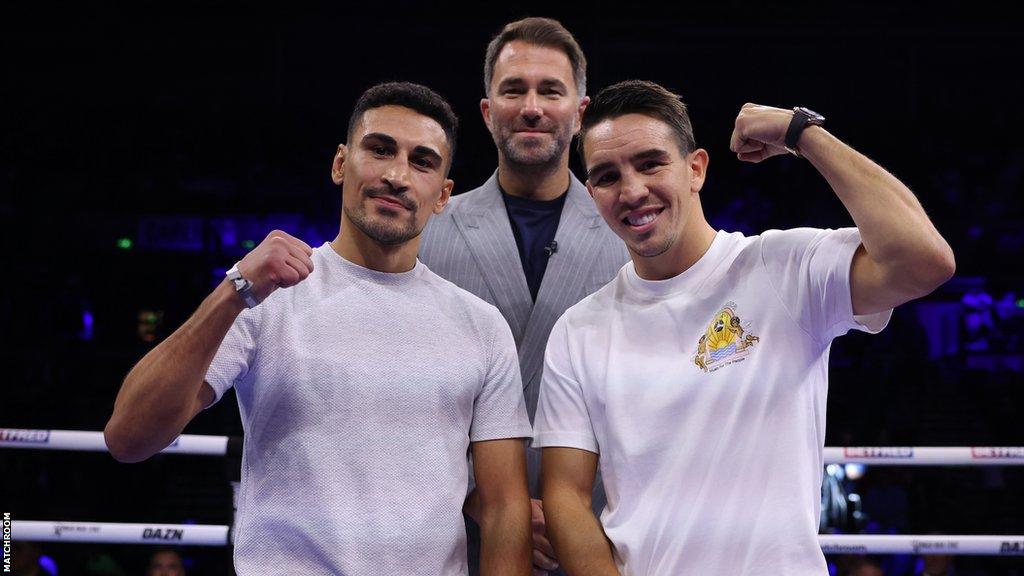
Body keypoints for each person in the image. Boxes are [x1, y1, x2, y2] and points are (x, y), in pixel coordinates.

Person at [104, 82, 532, 576]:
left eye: (422, 161)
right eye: (380, 150)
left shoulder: (480, 325)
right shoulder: (265, 297)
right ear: (339, 164)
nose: (396, 175)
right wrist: (232, 292)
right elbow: (128, 438)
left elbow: (503, 509)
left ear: (443, 195)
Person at [533, 80, 955, 575]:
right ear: (592, 193)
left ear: (696, 169)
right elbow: (565, 495)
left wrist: (803, 133)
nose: (631, 190)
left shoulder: (783, 268)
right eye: (607, 176)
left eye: (650, 163)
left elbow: (925, 262)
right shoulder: (579, 330)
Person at [419, 18, 629, 574]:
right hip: (453, 532)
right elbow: (408, 388)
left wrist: (574, 512)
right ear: (488, 112)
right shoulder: (428, 231)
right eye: (514, 90)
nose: (531, 107)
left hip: (604, 528)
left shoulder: (632, 234)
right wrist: (485, 499)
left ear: (580, 113)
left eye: (550, 90)